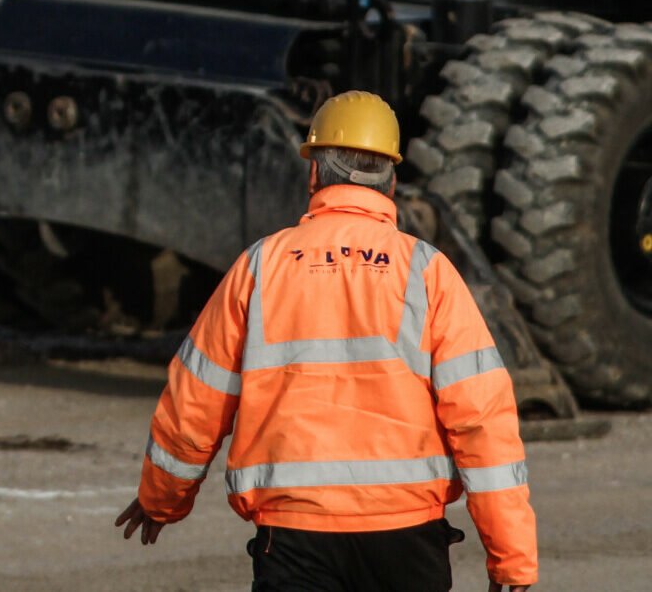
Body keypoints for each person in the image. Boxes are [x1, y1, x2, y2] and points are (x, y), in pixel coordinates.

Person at [113, 91, 538, 592]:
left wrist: (162, 498)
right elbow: (483, 422)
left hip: (293, 540)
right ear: (392, 181)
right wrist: (511, 558)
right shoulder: (428, 273)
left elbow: (195, 402)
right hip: (407, 540)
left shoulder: (260, 266)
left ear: (314, 174)